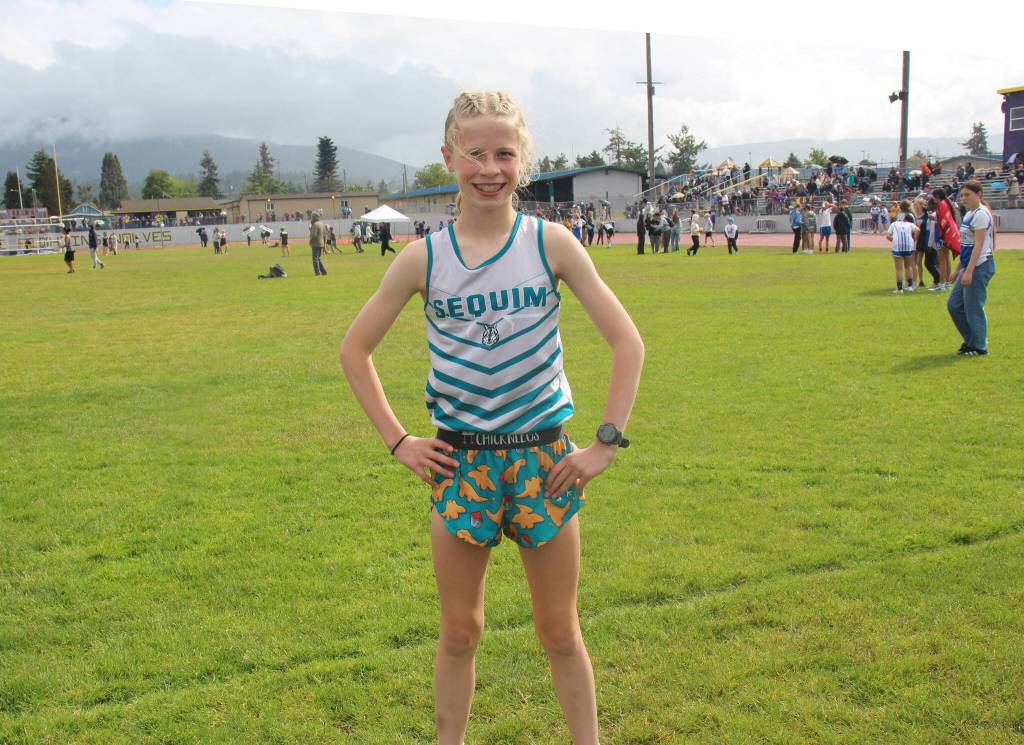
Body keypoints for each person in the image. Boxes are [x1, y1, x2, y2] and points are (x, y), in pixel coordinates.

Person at [340, 91, 643, 745]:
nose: (489, 167)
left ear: (522, 159)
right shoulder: (424, 258)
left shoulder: (550, 243)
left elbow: (628, 341)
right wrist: (399, 442)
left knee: (559, 629)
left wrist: (604, 444)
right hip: (462, 463)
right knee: (459, 631)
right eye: (474, 153)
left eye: (504, 152)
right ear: (448, 157)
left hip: (544, 461)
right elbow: (354, 349)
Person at [947, 181, 995, 355]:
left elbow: (979, 245)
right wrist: (959, 268)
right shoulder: (969, 214)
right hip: (969, 266)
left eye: (968, 194)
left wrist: (969, 271)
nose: (964, 198)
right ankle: (972, 340)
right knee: (954, 305)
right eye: (962, 195)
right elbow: (966, 245)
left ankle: (980, 347)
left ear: (979, 194)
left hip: (980, 266)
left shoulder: (981, 214)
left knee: (973, 307)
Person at [932, 187, 960, 291]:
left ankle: (942, 284)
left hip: (943, 234)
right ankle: (947, 283)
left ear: (937, 197)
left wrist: (943, 236)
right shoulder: (946, 203)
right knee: (946, 259)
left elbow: (943, 221)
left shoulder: (941, 204)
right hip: (947, 233)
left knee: (941, 260)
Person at [887, 213, 919, 294]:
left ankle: (900, 288)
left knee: (899, 268)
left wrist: (893, 240)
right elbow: (918, 230)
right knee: (908, 267)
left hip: (897, 246)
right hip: (909, 245)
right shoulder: (910, 224)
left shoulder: (893, 224)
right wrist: (914, 239)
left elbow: (888, 235)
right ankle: (910, 286)